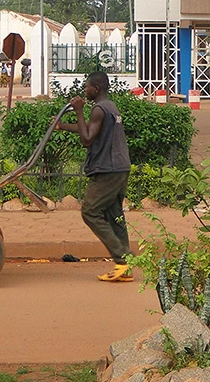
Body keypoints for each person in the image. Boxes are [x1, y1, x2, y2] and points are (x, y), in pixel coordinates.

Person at [56, 71, 133, 282]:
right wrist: (62, 126)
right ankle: (125, 266)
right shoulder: (110, 106)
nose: (85, 90)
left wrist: (79, 110)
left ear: (96, 89)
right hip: (119, 166)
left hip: (108, 168)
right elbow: (90, 130)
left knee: (90, 211)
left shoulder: (98, 109)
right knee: (114, 214)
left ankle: (122, 259)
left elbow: (87, 139)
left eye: (87, 87)